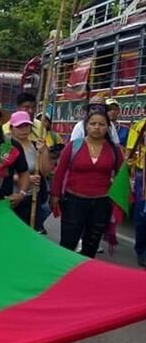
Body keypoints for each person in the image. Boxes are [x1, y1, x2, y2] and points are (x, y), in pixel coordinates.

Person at [50, 110, 124, 257]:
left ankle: (84, 275)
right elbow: (59, 172)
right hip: (74, 202)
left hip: (102, 204)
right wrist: (55, 195)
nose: (97, 127)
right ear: (86, 126)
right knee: (68, 243)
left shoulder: (114, 150)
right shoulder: (73, 146)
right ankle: (63, 274)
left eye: (101, 124)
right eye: (93, 124)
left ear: (108, 128)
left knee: (91, 245)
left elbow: (121, 176)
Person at [7, 111, 52, 231]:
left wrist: (44, 151)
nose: (23, 129)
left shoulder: (35, 146)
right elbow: (1, 173)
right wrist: (26, 179)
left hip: (32, 198)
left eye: (26, 126)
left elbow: (46, 172)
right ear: (12, 128)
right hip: (12, 197)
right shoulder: (6, 146)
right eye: (19, 126)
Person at [126, 117, 146, 266]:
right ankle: (141, 251)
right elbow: (129, 152)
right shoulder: (139, 126)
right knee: (143, 215)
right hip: (143, 175)